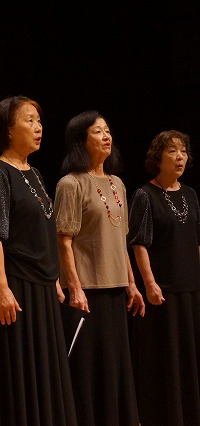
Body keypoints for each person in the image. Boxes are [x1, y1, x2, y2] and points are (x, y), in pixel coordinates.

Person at [0, 96, 76, 426]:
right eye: (29, 120)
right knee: (21, 373)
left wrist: (54, 279)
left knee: (46, 372)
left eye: (39, 121)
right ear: (8, 130)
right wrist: (0, 289)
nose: (38, 127)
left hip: (42, 287)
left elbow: (41, 231)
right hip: (17, 287)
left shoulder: (34, 173)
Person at [55, 110, 145, 426]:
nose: (106, 136)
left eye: (107, 130)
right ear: (81, 140)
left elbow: (122, 240)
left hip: (116, 290)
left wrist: (132, 284)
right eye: (97, 131)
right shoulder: (70, 184)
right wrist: (74, 288)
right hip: (87, 294)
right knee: (88, 371)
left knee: (115, 368)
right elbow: (63, 240)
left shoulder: (118, 183)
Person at [127, 130, 200, 425]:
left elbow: (195, 241)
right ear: (158, 158)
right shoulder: (145, 195)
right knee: (165, 360)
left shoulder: (191, 194)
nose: (180, 157)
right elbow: (138, 244)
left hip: (191, 289)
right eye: (172, 151)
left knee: (190, 358)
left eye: (183, 151)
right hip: (162, 292)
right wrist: (149, 284)